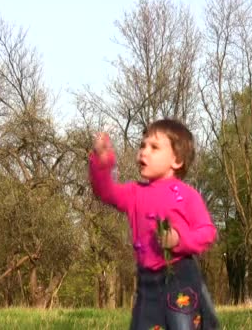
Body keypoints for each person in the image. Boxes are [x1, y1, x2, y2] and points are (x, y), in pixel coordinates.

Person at [89, 119, 219, 330]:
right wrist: (101, 163)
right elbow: (105, 192)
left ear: (176, 160)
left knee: (183, 325)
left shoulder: (187, 195)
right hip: (147, 281)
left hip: (179, 276)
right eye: (142, 145)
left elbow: (207, 232)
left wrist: (179, 239)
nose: (144, 152)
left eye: (154, 147)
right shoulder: (134, 193)